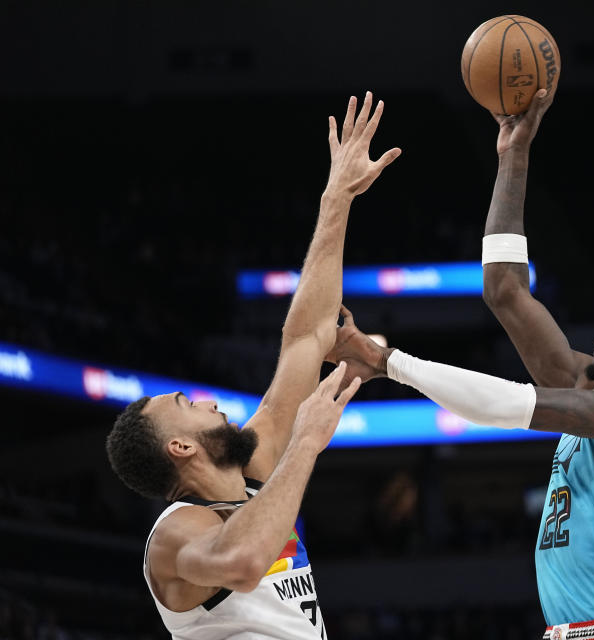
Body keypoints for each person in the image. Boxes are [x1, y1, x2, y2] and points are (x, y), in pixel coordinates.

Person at [328, 89, 594, 640]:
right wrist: (513, 153)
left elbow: (512, 406)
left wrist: (389, 361)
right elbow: (504, 290)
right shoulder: (590, 391)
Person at [105, 92, 400, 639]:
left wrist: (337, 197)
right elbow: (242, 563)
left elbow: (306, 338)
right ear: (180, 447)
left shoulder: (254, 473)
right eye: (187, 405)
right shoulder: (174, 535)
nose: (209, 401)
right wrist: (306, 441)